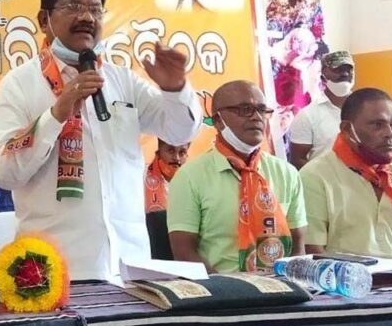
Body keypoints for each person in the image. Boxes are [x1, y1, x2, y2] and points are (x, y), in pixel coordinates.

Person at [0, 0, 202, 281]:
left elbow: (179, 130)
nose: (87, 17)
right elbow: (4, 172)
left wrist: (175, 89)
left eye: (95, 9)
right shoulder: (20, 84)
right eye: (74, 6)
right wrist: (56, 114)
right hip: (54, 273)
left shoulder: (121, 80)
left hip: (130, 268)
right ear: (44, 20)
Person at [167, 81, 306, 273]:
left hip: (282, 285)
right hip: (220, 287)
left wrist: (289, 283)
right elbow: (184, 252)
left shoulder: (287, 173)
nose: (257, 117)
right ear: (218, 120)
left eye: (262, 110)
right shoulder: (189, 177)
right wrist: (227, 288)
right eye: (245, 110)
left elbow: (298, 244)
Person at [301, 88, 392, 264]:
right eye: (377, 124)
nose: (389, 133)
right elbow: (313, 255)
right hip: (344, 279)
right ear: (347, 129)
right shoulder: (315, 177)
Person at [289, 51, 356, 168]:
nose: (345, 74)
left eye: (348, 69)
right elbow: (297, 160)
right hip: (323, 179)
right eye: (338, 70)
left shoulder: (366, 109)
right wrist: (322, 177)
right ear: (323, 75)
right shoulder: (307, 116)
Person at [145, 139, 190, 214]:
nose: (176, 158)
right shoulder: (141, 177)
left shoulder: (193, 182)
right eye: (171, 151)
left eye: (182, 152)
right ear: (159, 152)